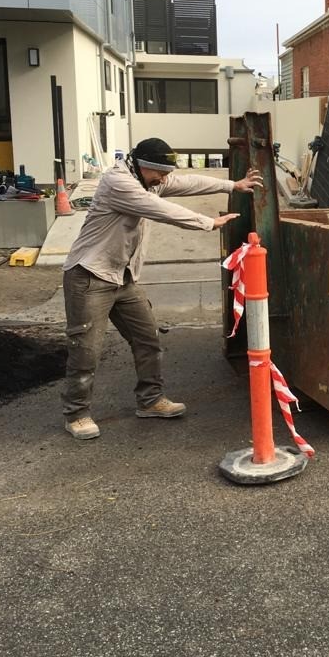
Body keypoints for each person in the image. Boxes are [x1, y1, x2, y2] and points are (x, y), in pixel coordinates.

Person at [61, 138, 262, 440]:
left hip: (123, 277)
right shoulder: (119, 183)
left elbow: (186, 182)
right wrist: (208, 222)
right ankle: (76, 414)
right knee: (86, 351)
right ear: (142, 166)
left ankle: (150, 400)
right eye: (160, 173)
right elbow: (160, 209)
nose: (164, 179)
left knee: (148, 338)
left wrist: (232, 185)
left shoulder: (148, 180)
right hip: (90, 276)